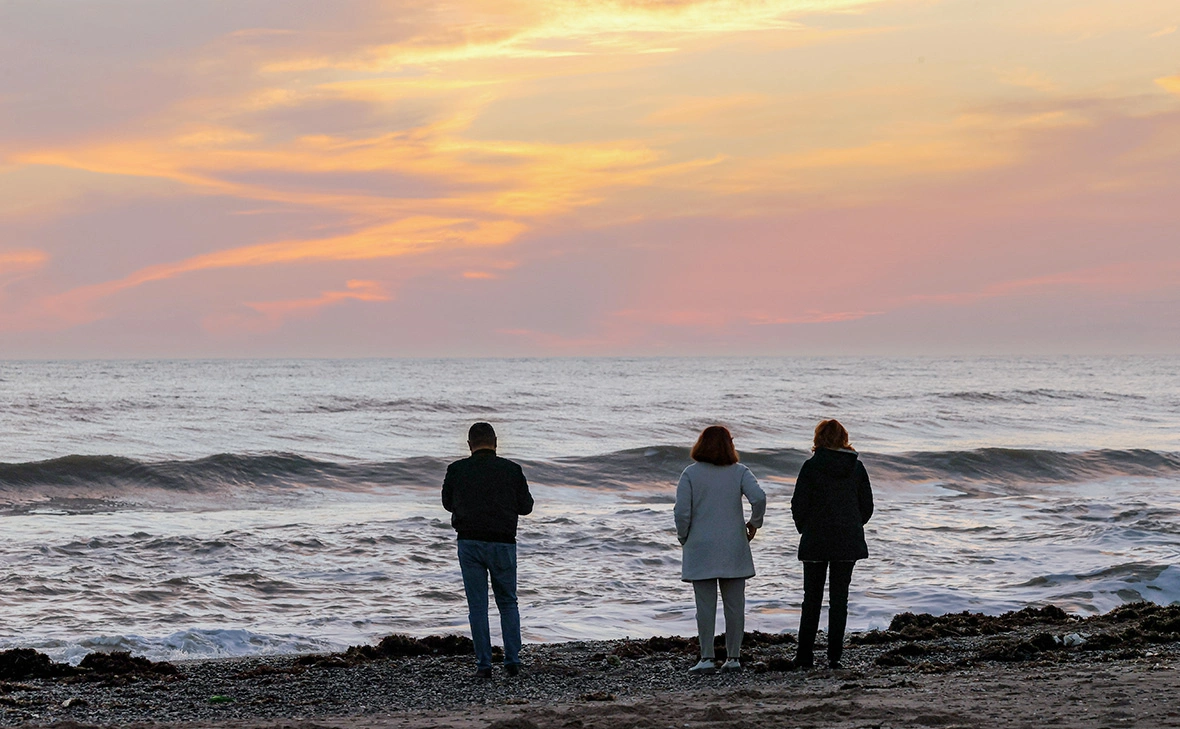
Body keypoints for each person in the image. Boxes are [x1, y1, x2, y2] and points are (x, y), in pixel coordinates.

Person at [442, 422, 534, 678]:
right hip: (503, 542)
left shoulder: (456, 470)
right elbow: (526, 507)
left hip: (469, 541)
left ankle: (484, 665)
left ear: (470, 444)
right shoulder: (512, 470)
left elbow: (447, 504)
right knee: (507, 602)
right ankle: (512, 661)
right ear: (495, 442)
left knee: (478, 606)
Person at [674, 425, 767, 674]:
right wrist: (754, 524)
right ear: (730, 446)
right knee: (735, 605)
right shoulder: (739, 472)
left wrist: (684, 537)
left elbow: (682, 512)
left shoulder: (690, 474)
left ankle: (706, 657)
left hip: (700, 545)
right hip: (733, 545)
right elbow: (758, 498)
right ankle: (733, 657)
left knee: (705, 606)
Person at [790, 419, 874, 670]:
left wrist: (804, 527)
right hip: (846, 539)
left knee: (811, 599)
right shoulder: (856, 468)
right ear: (844, 439)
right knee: (840, 599)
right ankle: (834, 656)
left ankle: (805, 656)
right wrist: (853, 525)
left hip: (816, 538)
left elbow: (798, 504)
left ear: (818, 439)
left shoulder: (811, 466)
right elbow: (867, 506)